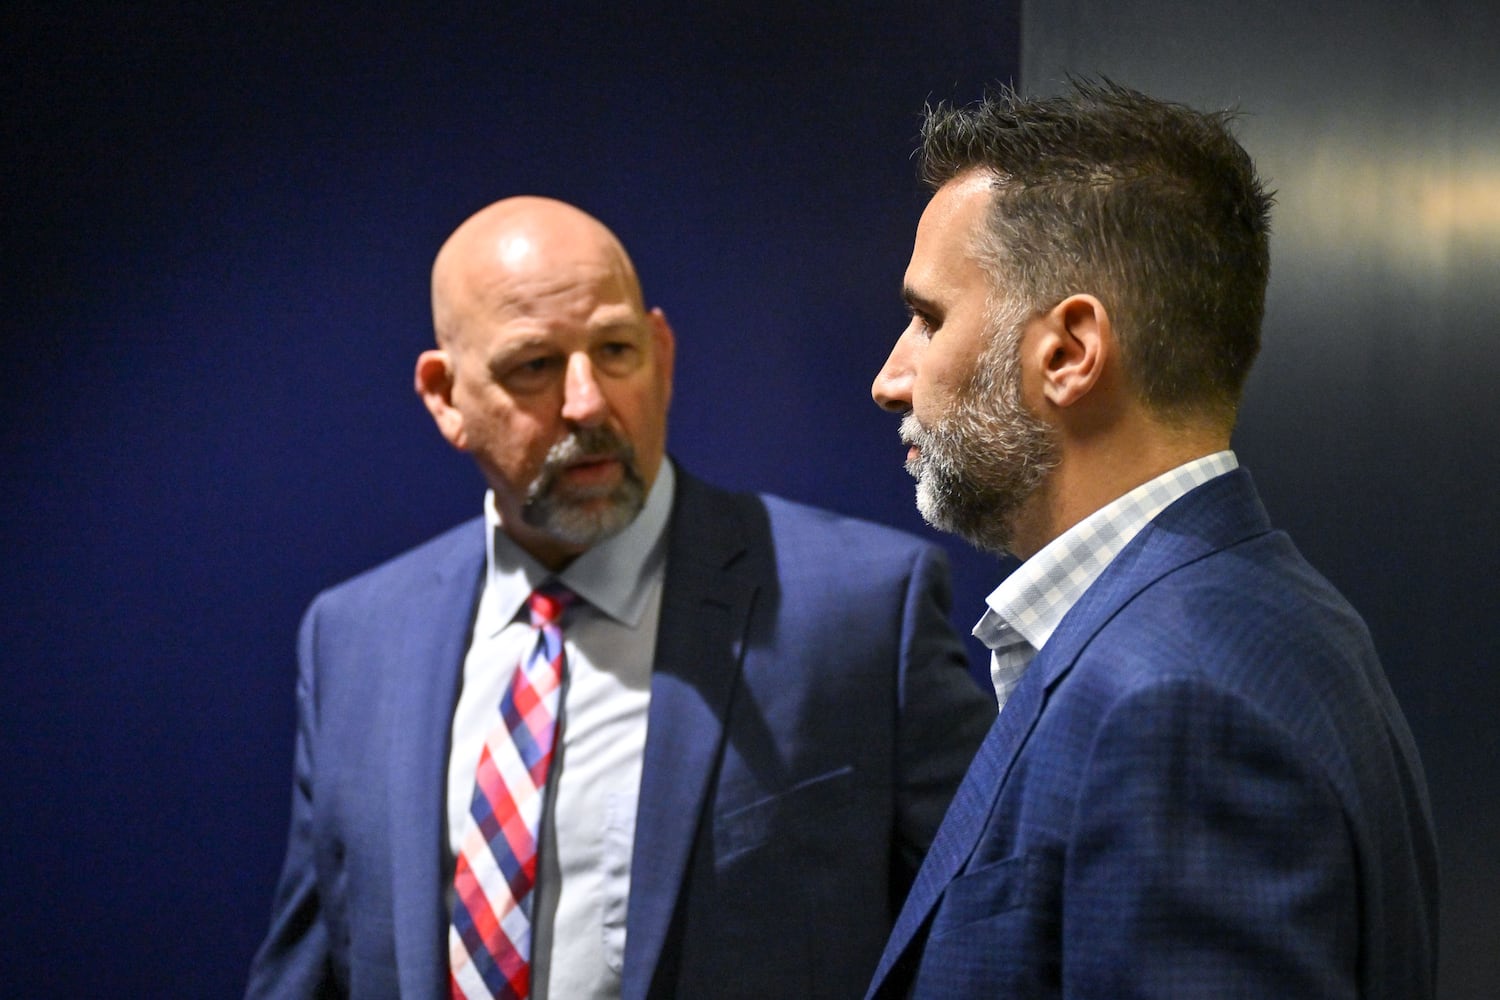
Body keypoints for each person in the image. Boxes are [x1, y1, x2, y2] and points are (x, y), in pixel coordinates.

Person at [245, 196, 994, 1000]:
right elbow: (313, 969)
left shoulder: (861, 611)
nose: (588, 403)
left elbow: (988, 935)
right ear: (443, 395)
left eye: (615, 350)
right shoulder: (356, 639)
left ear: (662, 355)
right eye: (534, 365)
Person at [865, 82, 1439, 999]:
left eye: (928, 318)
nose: (891, 379)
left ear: (1069, 353)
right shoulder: (1270, 620)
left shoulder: (1178, 702)